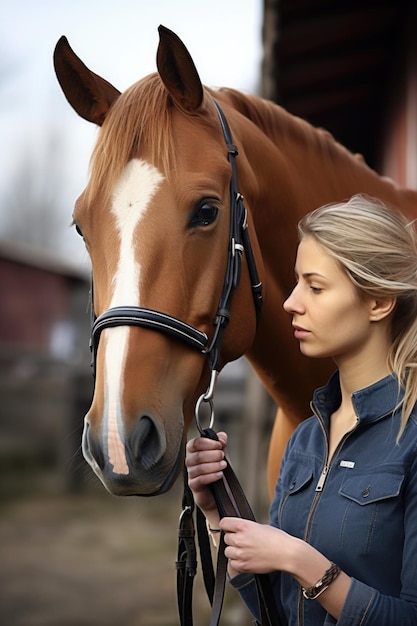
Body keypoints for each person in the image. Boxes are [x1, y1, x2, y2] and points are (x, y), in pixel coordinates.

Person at [185, 194, 417, 625]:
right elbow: (277, 611)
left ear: (379, 301)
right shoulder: (306, 438)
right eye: (296, 283)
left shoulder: (412, 438)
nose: (291, 302)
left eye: (315, 286)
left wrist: (301, 560)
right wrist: (220, 515)